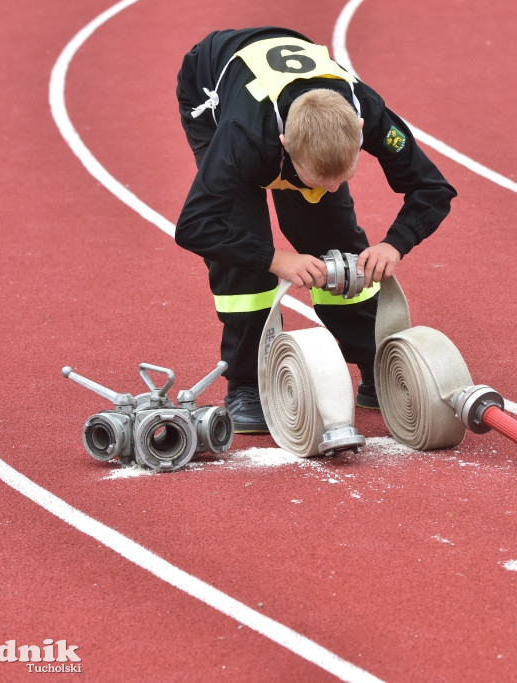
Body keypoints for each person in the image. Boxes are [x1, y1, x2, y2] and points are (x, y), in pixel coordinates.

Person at [175, 27, 457, 434]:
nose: (328, 188)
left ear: (359, 129)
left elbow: (433, 188)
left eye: (342, 177)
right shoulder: (242, 137)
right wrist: (274, 260)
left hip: (291, 105)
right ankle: (246, 384)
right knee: (241, 247)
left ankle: (372, 361)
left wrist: (395, 244)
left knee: (336, 242)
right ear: (285, 145)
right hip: (212, 89)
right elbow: (196, 226)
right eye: (316, 178)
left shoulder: (370, 113)